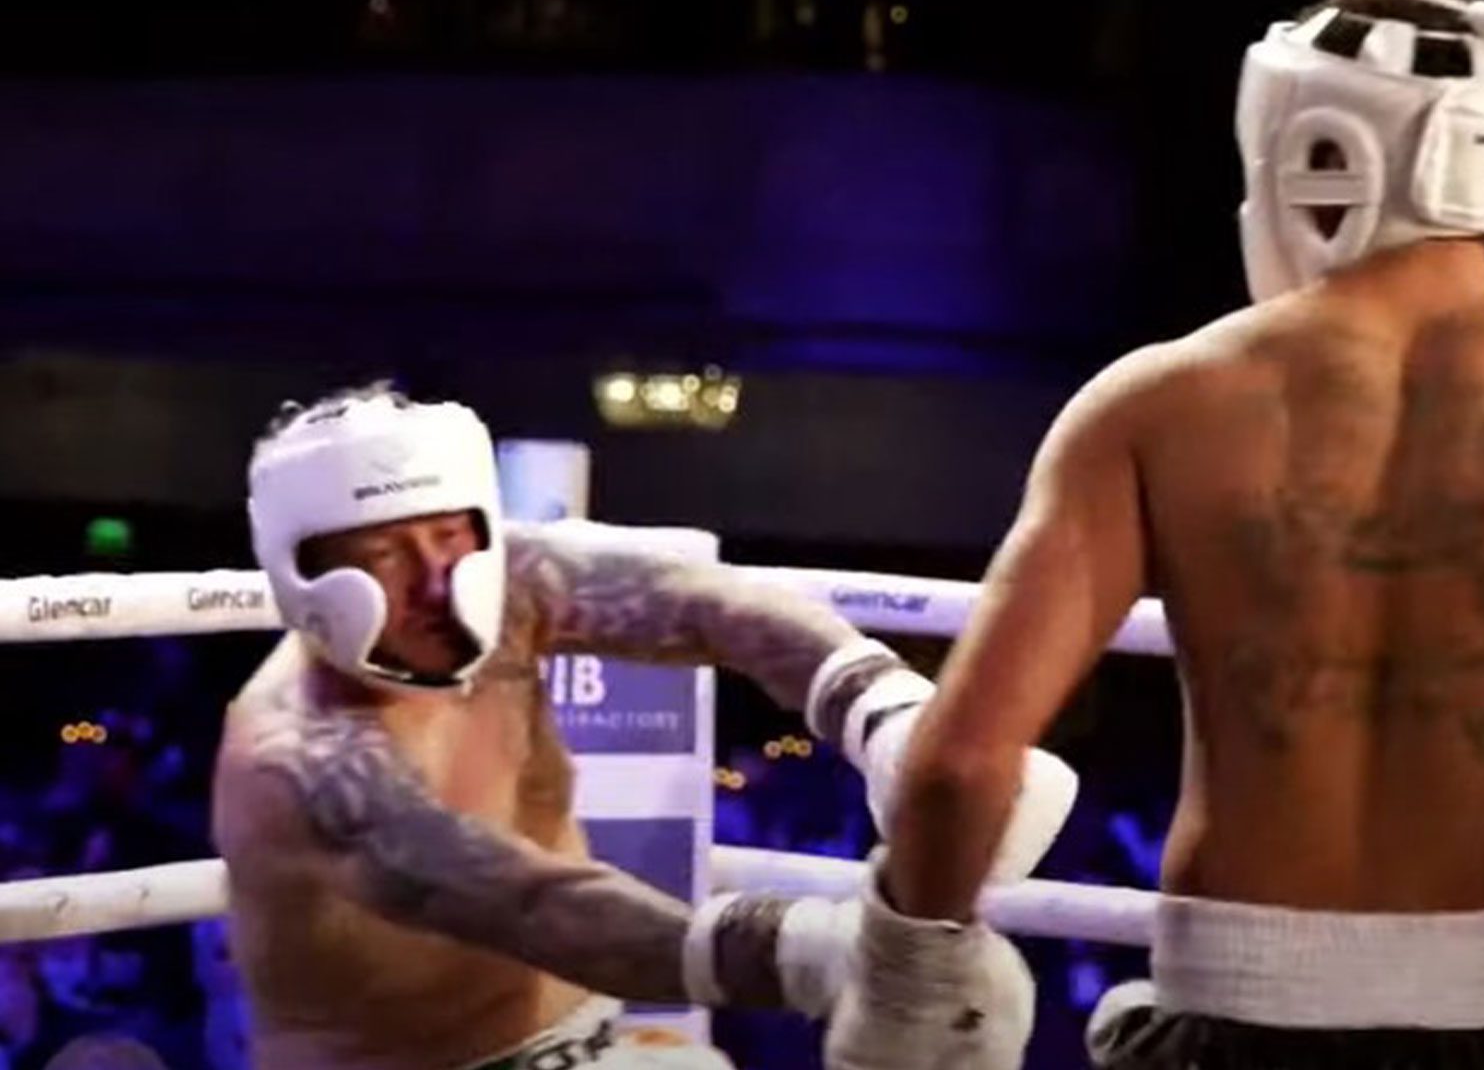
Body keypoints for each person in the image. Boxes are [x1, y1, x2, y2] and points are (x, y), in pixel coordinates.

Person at [833, 0, 1484, 1069]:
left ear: (1302, 142)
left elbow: (960, 767)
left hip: (1224, 1027)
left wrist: (908, 1006)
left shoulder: (1155, 403)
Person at [212, 383, 1071, 1069]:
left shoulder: (505, 585)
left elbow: (705, 604)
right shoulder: (301, 759)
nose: (440, 583)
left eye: (449, 536)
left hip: (597, 1042)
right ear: (302, 574)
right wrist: (830, 955)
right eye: (385, 557)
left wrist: (890, 721)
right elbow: (531, 905)